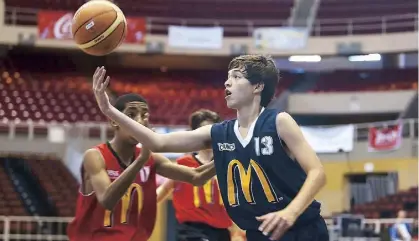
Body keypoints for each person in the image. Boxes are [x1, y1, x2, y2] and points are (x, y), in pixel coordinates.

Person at [91, 54, 329, 241]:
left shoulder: (279, 121)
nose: (227, 82)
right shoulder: (218, 133)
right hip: (260, 233)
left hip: (303, 230)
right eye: (228, 76)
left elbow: (317, 173)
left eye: (236, 77)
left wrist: (291, 212)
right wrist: (109, 110)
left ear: (257, 86)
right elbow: (158, 143)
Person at [67, 93, 216, 241]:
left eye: (144, 116)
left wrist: (227, 154)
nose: (139, 121)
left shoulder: (151, 159)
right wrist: (139, 161)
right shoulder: (95, 156)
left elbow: (197, 177)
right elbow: (107, 200)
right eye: (131, 115)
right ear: (114, 121)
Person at [157, 109, 234, 241]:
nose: (208, 135)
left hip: (221, 231)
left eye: (212, 131)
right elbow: (165, 188)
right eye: (203, 130)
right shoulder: (184, 163)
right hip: (191, 231)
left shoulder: (229, 165)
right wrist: (143, 205)